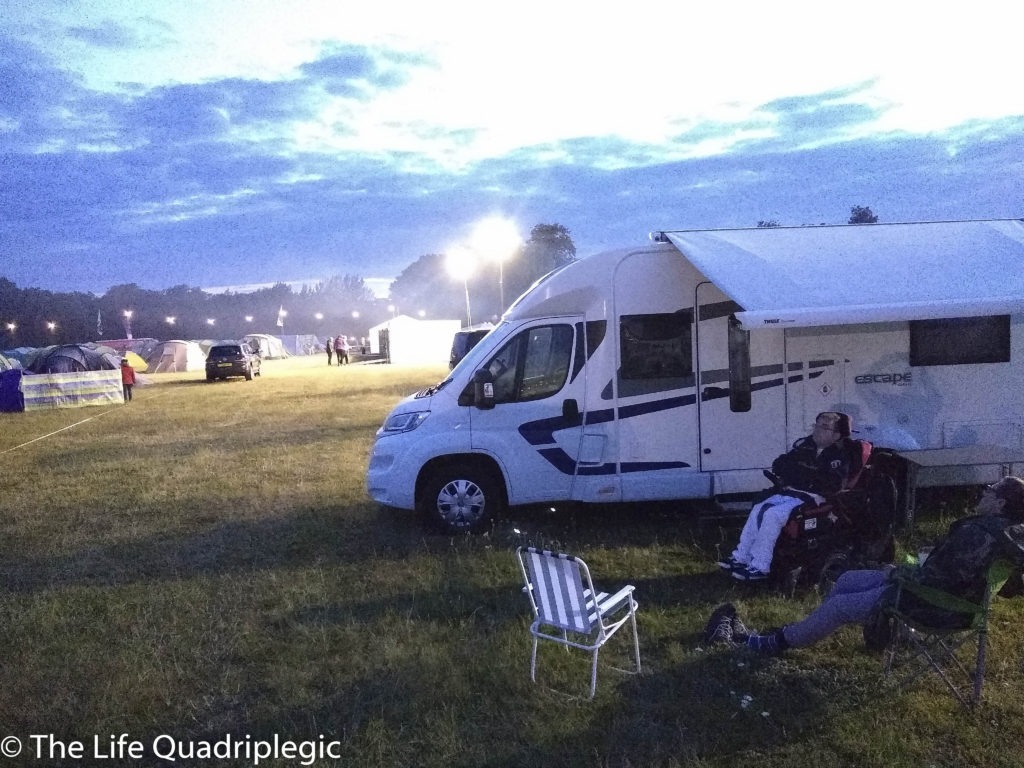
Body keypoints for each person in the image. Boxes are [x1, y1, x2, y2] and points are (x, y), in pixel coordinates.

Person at [704, 476, 1024, 654]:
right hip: (945, 596)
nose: (984, 491)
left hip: (935, 604)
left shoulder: (980, 533)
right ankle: (826, 630)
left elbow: (941, 577)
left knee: (840, 606)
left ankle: (773, 643)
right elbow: (1006, 586)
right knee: (848, 580)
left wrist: (900, 572)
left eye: (991, 489)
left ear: (1000, 503)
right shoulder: (1007, 533)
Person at [718, 411, 856, 581]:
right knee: (759, 508)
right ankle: (741, 557)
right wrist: (806, 474)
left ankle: (760, 566)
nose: (817, 430)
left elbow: (832, 484)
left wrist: (800, 473)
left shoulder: (839, 456)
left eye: (824, 427)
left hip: (817, 497)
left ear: (836, 435)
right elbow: (779, 464)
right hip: (794, 491)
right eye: (817, 425)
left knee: (773, 514)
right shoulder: (806, 446)